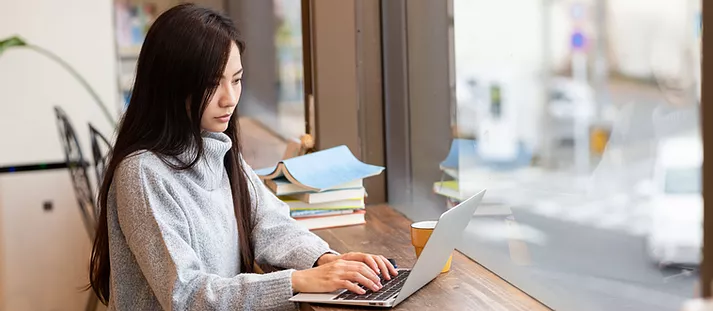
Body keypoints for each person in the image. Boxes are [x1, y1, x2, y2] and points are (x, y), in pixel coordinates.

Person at [88, 4, 396, 310]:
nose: (230, 98)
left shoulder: (216, 147)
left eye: (236, 79)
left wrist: (325, 260)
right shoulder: (143, 173)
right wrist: (297, 281)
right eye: (212, 84)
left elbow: (268, 221)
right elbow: (184, 294)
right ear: (171, 85)